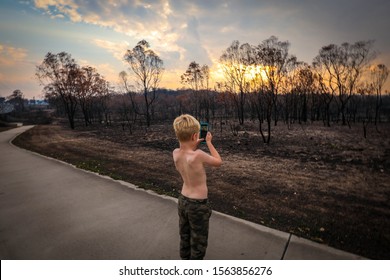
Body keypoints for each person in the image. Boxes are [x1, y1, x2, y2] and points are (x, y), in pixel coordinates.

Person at [172, 114, 222, 260]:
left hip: (183, 201)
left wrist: (193, 142)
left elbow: (187, 151)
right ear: (195, 135)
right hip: (198, 205)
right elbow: (218, 162)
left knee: (185, 235)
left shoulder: (175, 153)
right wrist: (209, 142)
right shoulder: (198, 155)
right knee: (198, 241)